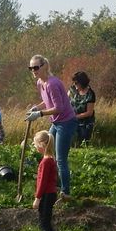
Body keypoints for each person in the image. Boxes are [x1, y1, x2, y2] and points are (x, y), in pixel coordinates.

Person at [25, 54, 77, 200]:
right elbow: (46, 101)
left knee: (60, 159)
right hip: (56, 122)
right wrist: (36, 108)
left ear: (44, 67)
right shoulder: (40, 83)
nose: (33, 71)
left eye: (36, 67)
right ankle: (54, 183)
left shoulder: (52, 83)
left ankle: (66, 193)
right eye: (31, 68)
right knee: (48, 152)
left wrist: (40, 114)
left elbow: (59, 108)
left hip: (66, 122)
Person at [33, 130, 60, 231]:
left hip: (46, 194)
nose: (34, 146)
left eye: (35, 144)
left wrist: (37, 198)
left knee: (44, 222)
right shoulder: (51, 159)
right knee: (45, 220)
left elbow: (43, 182)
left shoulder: (45, 161)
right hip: (51, 193)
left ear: (42, 145)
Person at [69, 71, 96, 146]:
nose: (75, 84)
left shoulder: (90, 94)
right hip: (72, 121)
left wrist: (75, 116)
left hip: (85, 124)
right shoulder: (72, 90)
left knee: (83, 144)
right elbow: (66, 101)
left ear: (82, 82)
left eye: (76, 83)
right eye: (74, 82)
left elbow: (89, 112)